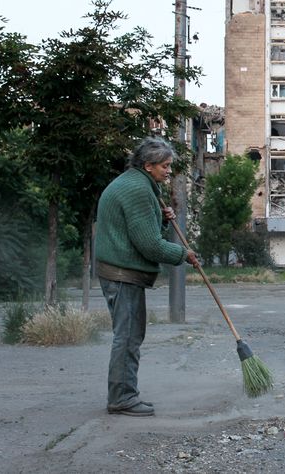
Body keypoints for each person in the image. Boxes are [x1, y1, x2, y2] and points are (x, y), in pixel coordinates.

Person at [94, 137, 199, 417]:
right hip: (122, 273)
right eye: (165, 166)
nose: (169, 171)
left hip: (118, 269)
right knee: (128, 336)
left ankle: (124, 394)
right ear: (148, 165)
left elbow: (138, 229)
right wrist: (183, 254)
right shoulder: (139, 190)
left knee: (129, 335)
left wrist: (160, 218)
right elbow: (150, 245)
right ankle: (122, 398)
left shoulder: (136, 184)